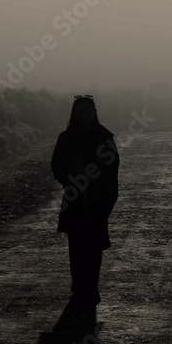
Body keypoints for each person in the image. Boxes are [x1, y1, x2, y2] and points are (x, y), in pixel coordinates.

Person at [50, 94, 120, 309]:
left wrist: (107, 196)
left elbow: (112, 169)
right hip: (75, 199)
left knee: (94, 247)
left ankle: (91, 288)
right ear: (75, 113)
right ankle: (79, 289)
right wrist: (70, 183)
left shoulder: (105, 137)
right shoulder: (66, 138)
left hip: (98, 199)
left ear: (94, 112)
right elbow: (56, 166)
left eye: (88, 111)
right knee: (77, 246)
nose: (85, 115)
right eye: (81, 111)